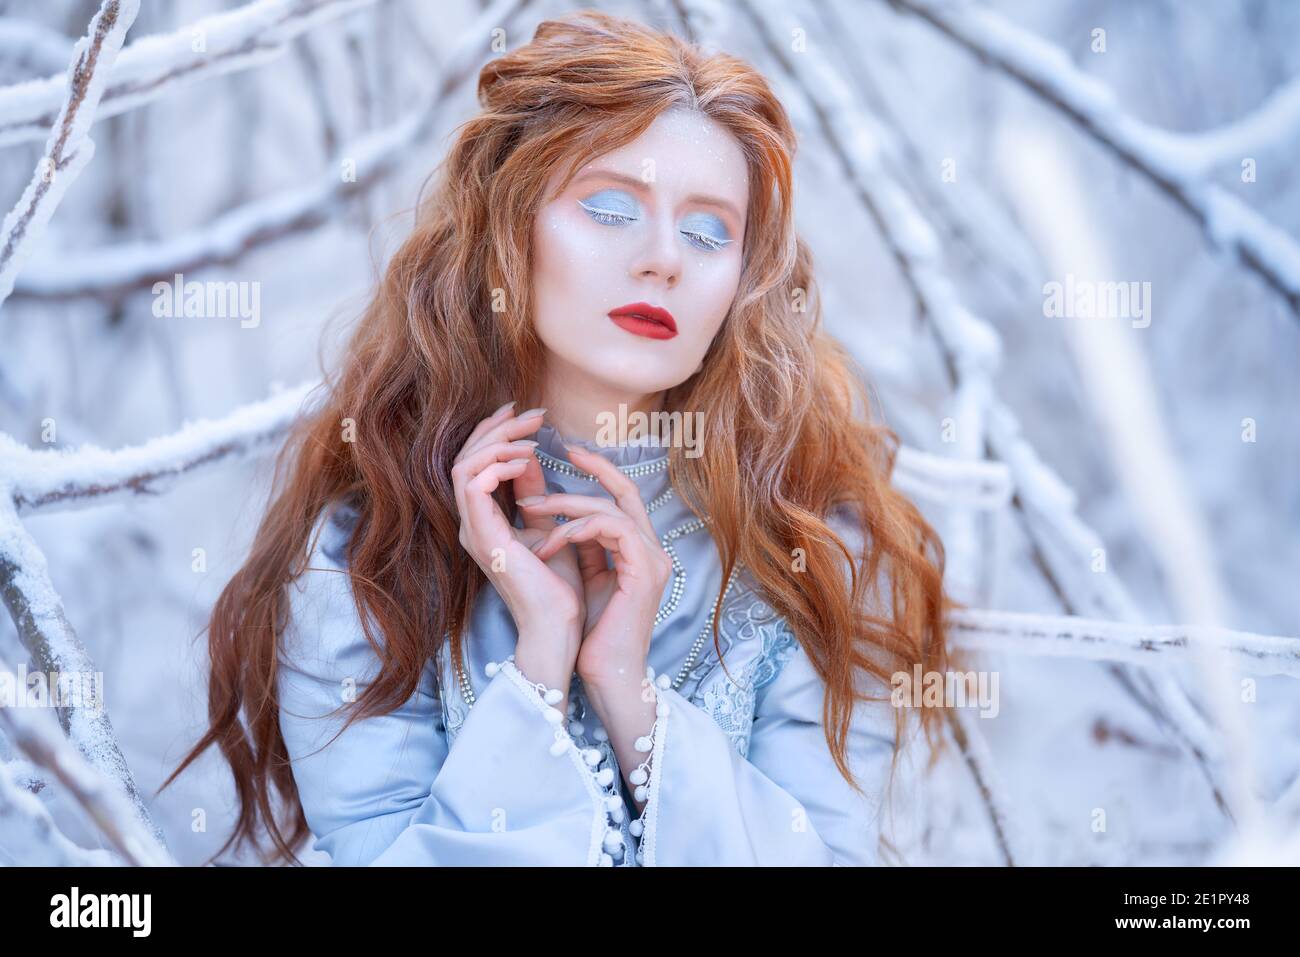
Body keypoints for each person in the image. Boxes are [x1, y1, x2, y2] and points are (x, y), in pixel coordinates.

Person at [166, 9, 952, 867]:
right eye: (611, 207)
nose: (663, 259)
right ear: (510, 230)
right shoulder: (367, 552)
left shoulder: (814, 549)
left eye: (706, 230)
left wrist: (629, 695)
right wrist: (540, 662)